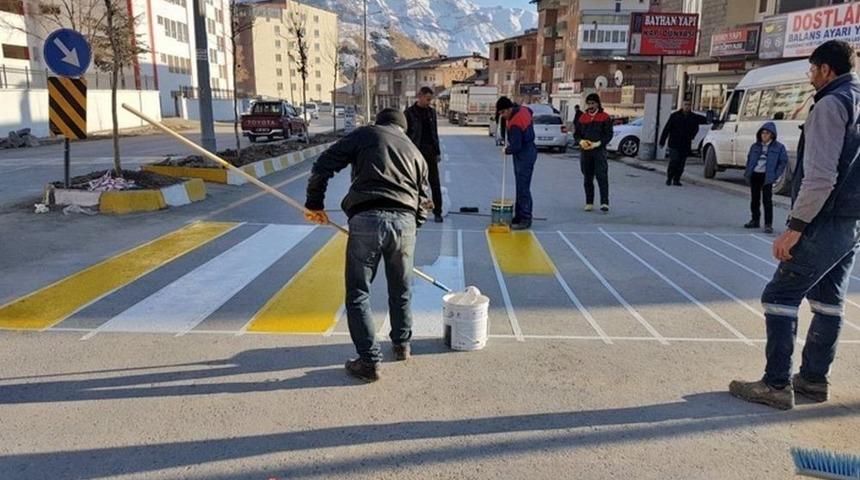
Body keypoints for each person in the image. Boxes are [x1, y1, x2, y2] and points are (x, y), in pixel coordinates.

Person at [730, 40, 860, 410]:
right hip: (851, 223)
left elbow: (820, 176)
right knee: (828, 300)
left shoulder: (831, 104)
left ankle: (775, 385)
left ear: (825, 70)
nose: (810, 76)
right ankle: (814, 381)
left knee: (780, 296)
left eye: (811, 69)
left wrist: (795, 227)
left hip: (824, 218)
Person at [305, 108, 430, 383]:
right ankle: (401, 345)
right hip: (405, 223)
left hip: (367, 219)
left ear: (381, 123)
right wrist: (411, 226)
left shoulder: (366, 134)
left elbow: (323, 164)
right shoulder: (415, 152)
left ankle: (369, 361)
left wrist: (314, 203)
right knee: (401, 288)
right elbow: (425, 200)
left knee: (359, 293)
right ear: (403, 129)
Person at [496, 96, 538, 230]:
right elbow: (530, 112)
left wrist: (506, 150)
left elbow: (516, 146)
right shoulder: (524, 110)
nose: (502, 116)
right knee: (520, 185)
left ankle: (525, 217)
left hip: (524, 153)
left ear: (509, 109)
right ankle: (519, 215)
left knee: (523, 187)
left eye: (503, 112)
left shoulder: (515, 123)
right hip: (530, 148)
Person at [404, 86, 443, 223]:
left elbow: (435, 133)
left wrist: (437, 152)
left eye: (430, 100)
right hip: (415, 152)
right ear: (419, 96)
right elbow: (405, 135)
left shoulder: (431, 113)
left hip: (430, 152)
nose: (429, 102)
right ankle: (416, 210)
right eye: (427, 99)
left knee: (435, 183)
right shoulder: (409, 113)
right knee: (415, 183)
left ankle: (438, 211)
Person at [743, 122, 788, 234]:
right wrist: (748, 171)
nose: (764, 135)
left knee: (767, 200)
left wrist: (775, 175)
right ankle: (755, 220)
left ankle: (768, 224)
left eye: (767, 133)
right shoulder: (755, 146)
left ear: (772, 135)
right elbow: (749, 159)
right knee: (754, 199)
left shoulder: (779, 147)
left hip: (767, 176)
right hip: (755, 174)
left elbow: (783, 162)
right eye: (762, 133)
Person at [575, 93, 613, 212]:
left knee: (602, 176)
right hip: (586, 151)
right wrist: (580, 141)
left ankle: (604, 202)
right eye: (589, 103)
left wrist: (599, 143)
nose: (591, 106)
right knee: (587, 177)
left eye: (593, 103)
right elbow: (576, 134)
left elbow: (608, 134)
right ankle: (589, 202)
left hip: (599, 151)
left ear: (598, 104)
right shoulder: (583, 118)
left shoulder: (605, 117)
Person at [659, 100, 706, 186]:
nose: (687, 106)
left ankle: (676, 179)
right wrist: (662, 141)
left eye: (689, 105)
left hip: (685, 144)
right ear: (682, 105)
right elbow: (667, 129)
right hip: (674, 143)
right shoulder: (675, 116)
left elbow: (705, 120)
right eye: (685, 105)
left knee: (681, 163)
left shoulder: (693, 117)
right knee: (674, 161)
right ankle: (669, 177)